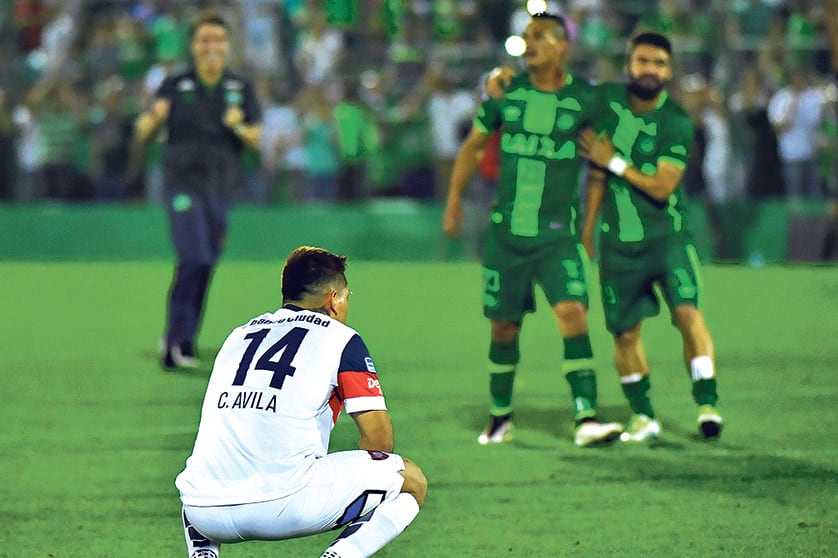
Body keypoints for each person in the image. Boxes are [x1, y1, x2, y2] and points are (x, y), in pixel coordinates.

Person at [175, 246, 427, 558]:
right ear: (333, 300)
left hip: (203, 511)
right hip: (286, 504)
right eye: (347, 296)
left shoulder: (238, 335)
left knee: (200, 480)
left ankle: (203, 554)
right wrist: (353, 495)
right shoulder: (341, 339)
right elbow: (378, 438)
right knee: (410, 479)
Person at [442, 12, 623, 447]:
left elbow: (600, 165)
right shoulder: (507, 93)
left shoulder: (586, 100)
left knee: (573, 313)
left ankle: (587, 418)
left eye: (540, 37)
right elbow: (473, 147)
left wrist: (591, 224)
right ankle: (500, 417)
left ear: (563, 47)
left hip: (558, 235)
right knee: (504, 327)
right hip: (506, 236)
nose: (531, 44)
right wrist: (453, 200)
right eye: (526, 38)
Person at [577, 31, 723, 442]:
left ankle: (707, 403)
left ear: (669, 71)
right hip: (618, 245)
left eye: (658, 63)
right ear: (629, 64)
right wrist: (587, 230)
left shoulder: (675, 121)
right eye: (642, 61)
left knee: (687, 315)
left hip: (668, 238)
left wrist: (614, 161)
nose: (650, 70)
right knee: (624, 333)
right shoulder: (606, 103)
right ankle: (643, 415)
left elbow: (662, 187)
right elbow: (595, 172)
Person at [134, 10, 262, 370]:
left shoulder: (239, 87)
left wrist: (238, 127)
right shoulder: (175, 85)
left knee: (206, 262)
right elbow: (143, 131)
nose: (211, 47)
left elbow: (256, 138)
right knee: (195, 257)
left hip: (221, 187)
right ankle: (175, 343)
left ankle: (183, 338)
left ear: (228, 46)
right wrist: (155, 117)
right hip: (182, 184)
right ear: (192, 46)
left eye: (218, 40)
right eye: (204, 40)